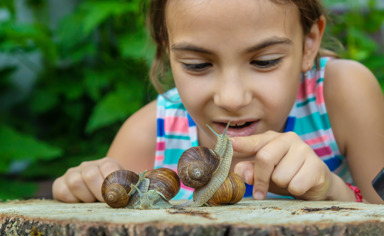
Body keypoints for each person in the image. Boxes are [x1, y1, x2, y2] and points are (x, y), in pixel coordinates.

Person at [52, 0, 384, 204]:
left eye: (265, 61)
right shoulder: (148, 136)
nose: (232, 98)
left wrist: (332, 190)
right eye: (198, 65)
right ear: (166, 52)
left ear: (310, 42)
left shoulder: (341, 95)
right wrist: (86, 187)